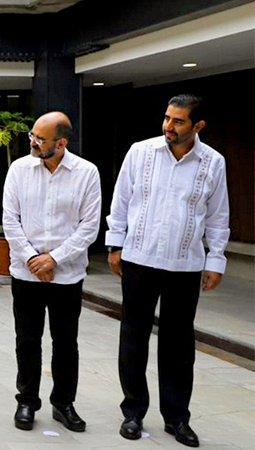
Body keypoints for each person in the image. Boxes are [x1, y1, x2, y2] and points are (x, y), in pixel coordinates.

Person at [107, 95, 229, 447]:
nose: (168, 127)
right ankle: (133, 412)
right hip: (139, 260)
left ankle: (177, 418)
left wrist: (216, 259)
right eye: (166, 118)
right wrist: (116, 246)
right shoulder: (141, 152)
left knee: (178, 346)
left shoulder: (212, 163)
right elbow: (122, 200)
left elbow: (219, 216)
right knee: (133, 337)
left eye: (178, 121)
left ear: (198, 126)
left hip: (185, 265)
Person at [2, 111, 100, 433]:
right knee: (27, 340)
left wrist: (54, 259)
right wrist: (33, 259)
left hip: (67, 274)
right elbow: (10, 221)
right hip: (26, 272)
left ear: (61, 143)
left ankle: (63, 403)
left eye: (40, 139)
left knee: (65, 341)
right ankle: (27, 401)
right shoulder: (18, 169)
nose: (32, 142)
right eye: (32, 135)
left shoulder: (87, 173)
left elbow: (89, 227)